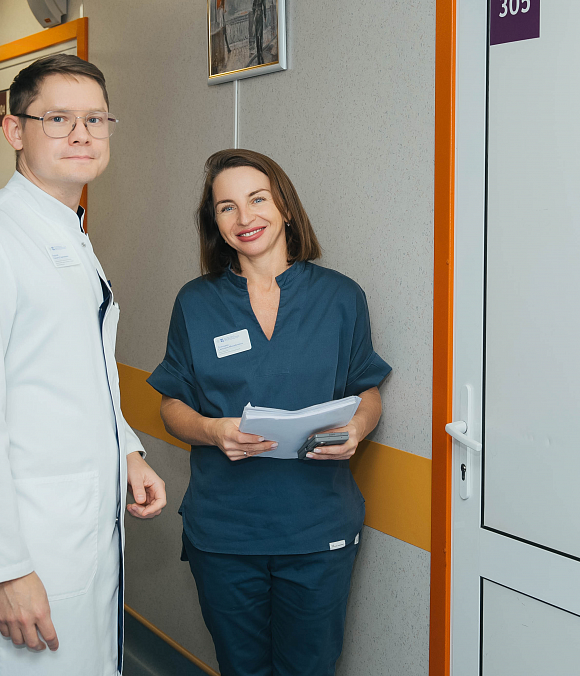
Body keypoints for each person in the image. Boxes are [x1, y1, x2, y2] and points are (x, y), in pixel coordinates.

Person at [0, 54, 166, 675]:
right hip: (27, 544)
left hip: (79, 529)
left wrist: (126, 452)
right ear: (14, 130)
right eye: (58, 119)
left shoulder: (67, 234)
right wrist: (3, 569)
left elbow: (77, 375)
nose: (82, 134)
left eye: (96, 119)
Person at [148, 149, 391, 676]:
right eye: (226, 207)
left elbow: (366, 388)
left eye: (258, 199)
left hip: (317, 529)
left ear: (285, 207)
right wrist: (212, 430)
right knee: (242, 668)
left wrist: (357, 428)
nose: (245, 217)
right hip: (226, 533)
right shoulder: (196, 302)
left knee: (310, 668)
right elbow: (172, 405)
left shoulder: (341, 297)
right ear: (214, 223)